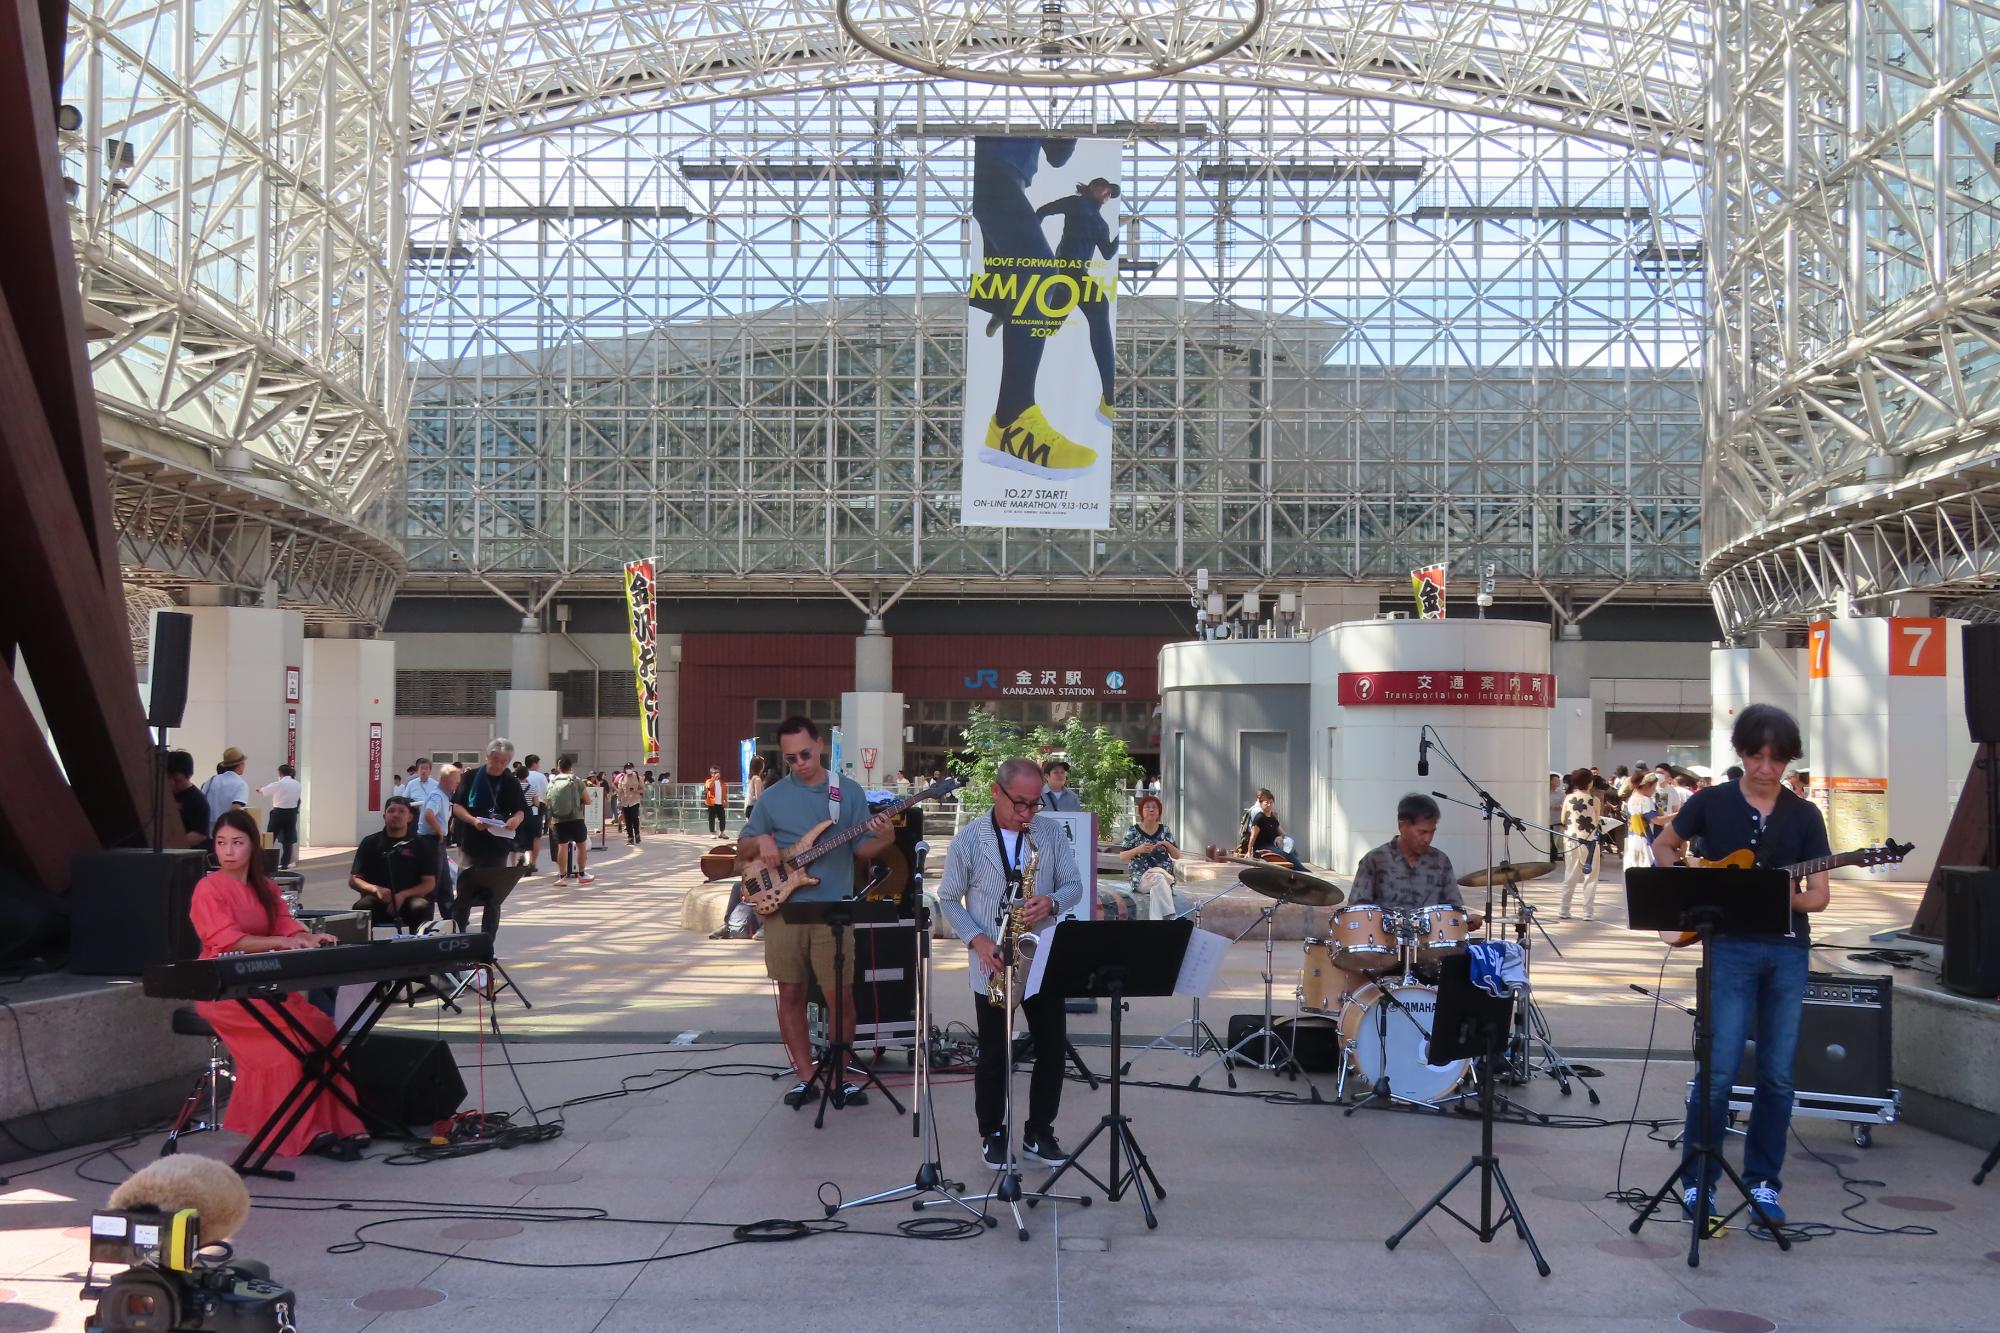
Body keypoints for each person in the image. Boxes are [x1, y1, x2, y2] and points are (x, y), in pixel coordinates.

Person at [1653, 703, 1831, 1229]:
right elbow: (1665, 845)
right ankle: (1698, 1185)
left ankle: (1763, 1183)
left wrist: (1776, 895)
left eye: (1777, 760)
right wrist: (1691, 887)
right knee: (1720, 1069)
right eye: (1757, 757)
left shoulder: (1805, 816)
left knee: (1777, 1075)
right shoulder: (1711, 802)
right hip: (1728, 948)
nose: (1767, 769)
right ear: (1742, 754)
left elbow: (1818, 896)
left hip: (1786, 949)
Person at [188, 808, 364, 1160]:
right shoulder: (208, 888)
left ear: (253, 845)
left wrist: (307, 938)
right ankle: (295, 1132)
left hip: (264, 987)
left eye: (237, 843)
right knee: (285, 1046)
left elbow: (286, 925)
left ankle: (338, 1123)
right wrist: (280, 943)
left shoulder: (266, 887)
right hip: (222, 989)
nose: (228, 851)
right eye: (221, 843)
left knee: (321, 1030)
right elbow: (226, 939)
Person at [935, 756, 1083, 1169]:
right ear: (996, 792)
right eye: (1020, 803)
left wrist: (1052, 900)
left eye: (1035, 804)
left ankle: (1040, 1131)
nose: (1029, 813)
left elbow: (1074, 884)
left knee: (1052, 1047)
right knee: (995, 1052)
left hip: (1040, 957)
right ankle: (992, 1132)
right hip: (994, 961)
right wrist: (978, 940)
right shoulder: (968, 839)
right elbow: (948, 897)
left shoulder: (1049, 832)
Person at [737, 717, 894, 1107]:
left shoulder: (848, 792)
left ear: (820, 746)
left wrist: (886, 838)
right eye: (790, 758)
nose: (799, 763)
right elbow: (741, 850)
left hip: (833, 910)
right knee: (790, 992)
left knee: (839, 995)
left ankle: (840, 1076)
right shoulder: (773, 797)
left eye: (805, 754)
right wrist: (761, 841)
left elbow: (859, 850)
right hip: (784, 909)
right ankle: (806, 1075)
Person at [1034, 176, 1121, 422]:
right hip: (1065, 270)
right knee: (1099, 308)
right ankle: (1108, 400)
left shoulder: (1101, 224)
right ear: (1094, 187)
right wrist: (1032, 248)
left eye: (1110, 194)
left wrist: (1121, 233)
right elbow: (1043, 211)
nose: (1108, 195)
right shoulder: (1076, 203)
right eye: (1106, 189)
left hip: (1071, 275)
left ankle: (1004, 310)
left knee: (1047, 326)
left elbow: (1106, 253)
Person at [450, 738, 527, 935]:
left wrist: (515, 820)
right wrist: (472, 820)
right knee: (464, 895)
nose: (498, 765)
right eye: (495, 760)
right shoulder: (471, 777)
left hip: (497, 845)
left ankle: (487, 943)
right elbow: (457, 806)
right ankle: (459, 938)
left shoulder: (510, 782)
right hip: (471, 843)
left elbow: (520, 810)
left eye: (504, 762)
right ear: (487, 757)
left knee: (494, 898)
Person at [348, 797, 437, 933]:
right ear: (384, 816)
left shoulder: (421, 845)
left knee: (422, 907)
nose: (396, 815)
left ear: (410, 817)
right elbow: (354, 880)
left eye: (401, 811)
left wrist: (402, 895)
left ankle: (417, 949)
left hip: (409, 900)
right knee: (362, 908)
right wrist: (376, 889)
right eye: (391, 811)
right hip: (377, 900)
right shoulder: (370, 842)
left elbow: (429, 883)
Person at [1118, 793, 1182, 920]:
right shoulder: (1133, 830)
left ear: (1159, 812)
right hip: (1141, 878)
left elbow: (1177, 855)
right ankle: (1170, 916)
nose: (1151, 810)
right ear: (1141, 811)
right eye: (1147, 807)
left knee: (1157, 884)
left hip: (1165, 877)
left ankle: (1157, 923)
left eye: (1155, 807)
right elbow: (1122, 856)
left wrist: (1166, 844)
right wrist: (1139, 849)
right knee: (1158, 878)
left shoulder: (1165, 830)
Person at [1555, 768, 1601, 920]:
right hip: (1590, 841)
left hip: (1571, 840)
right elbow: (1597, 820)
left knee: (1570, 874)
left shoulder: (1568, 798)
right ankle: (1588, 911)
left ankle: (1564, 909)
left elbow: (1563, 820)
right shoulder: (1595, 800)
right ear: (1590, 782)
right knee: (1591, 877)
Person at [546, 757, 594, 885]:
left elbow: (549, 802)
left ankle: (562, 877)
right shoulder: (576, 780)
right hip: (576, 818)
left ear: (558, 767)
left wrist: (549, 820)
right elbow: (588, 800)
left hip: (558, 819)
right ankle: (582, 874)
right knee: (581, 846)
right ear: (571, 767)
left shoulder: (552, 782)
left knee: (562, 847)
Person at [1246, 789, 1303, 870]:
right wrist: (1249, 851)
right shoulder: (1259, 816)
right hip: (1263, 847)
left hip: (1272, 845)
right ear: (1261, 803)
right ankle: (1302, 872)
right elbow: (1253, 835)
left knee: (1293, 853)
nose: (1269, 805)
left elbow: (1282, 833)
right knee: (1287, 855)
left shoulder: (1272, 818)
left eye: (1271, 802)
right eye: (1266, 802)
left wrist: (1285, 839)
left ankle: (1299, 872)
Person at [167, 749, 211, 851]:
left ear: (189, 776)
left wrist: (170, 846)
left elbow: (199, 834)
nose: (171, 782)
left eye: (176, 779)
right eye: (168, 777)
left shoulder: (198, 800)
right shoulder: (163, 794)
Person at [1623, 772, 1662, 870]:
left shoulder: (1632, 797)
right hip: (1645, 839)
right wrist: (1676, 815)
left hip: (1633, 837)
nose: (1654, 791)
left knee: (1635, 869)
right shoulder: (1645, 800)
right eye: (1653, 787)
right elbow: (1657, 821)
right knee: (1647, 868)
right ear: (1647, 786)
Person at [518, 754, 548, 873]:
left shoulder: (522, 777)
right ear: (534, 763)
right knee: (536, 838)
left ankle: (524, 859)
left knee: (523, 836)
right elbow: (546, 793)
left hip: (521, 812)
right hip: (536, 810)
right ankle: (532, 863)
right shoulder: (541, 777)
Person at [203, 747, 250, 815]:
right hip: (225, 824)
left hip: (207, 825)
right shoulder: (241, 784)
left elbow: (201, 801)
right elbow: (235, 810)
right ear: (240, 764)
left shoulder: (211, 780)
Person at [616, 764, 645, 845]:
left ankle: (637, 834)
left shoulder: (638, 777)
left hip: (634, 801)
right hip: (625, 802)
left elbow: (643, 790)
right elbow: (620, 790)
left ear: (632, 769)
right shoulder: (622, 778)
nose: (629, 770)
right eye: (627, 768)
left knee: (634, 818)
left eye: (630, 768)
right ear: (625, 769)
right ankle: (630, 838)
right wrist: (619, 800)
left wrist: (635, 790)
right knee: (627, 821)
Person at [704, 766, 729, 835]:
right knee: (711, 819)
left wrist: (726, 801)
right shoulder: (708, 781)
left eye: (718, 772)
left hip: (720, 803)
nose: (717, 774)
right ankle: (712, 833)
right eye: (715, 773)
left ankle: (722, 833)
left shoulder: (722, 783)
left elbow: (724, 793)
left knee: (722, 818)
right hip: (712, 803)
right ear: (711, 774)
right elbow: (709, 786)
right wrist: (714, 779)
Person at [744, 755, 766, 820]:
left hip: (749, 807)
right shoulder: (757, 779)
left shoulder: (751, 778)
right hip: (754, 808)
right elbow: (758, 797)